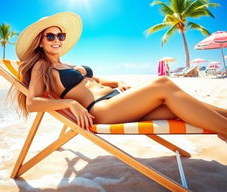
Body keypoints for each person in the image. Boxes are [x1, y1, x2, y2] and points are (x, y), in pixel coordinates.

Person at [14, 12, 227, 142]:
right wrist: (70, 103)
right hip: (102, 110)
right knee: (163, 83)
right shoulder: (41, 65)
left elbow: (94, 82)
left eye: (60, 35)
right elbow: (33, 103)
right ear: (40, 41)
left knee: (179, 105)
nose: (56, 39)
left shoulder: (65, 64)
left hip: (116, 99)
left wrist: (118, 82)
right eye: (50, 36)